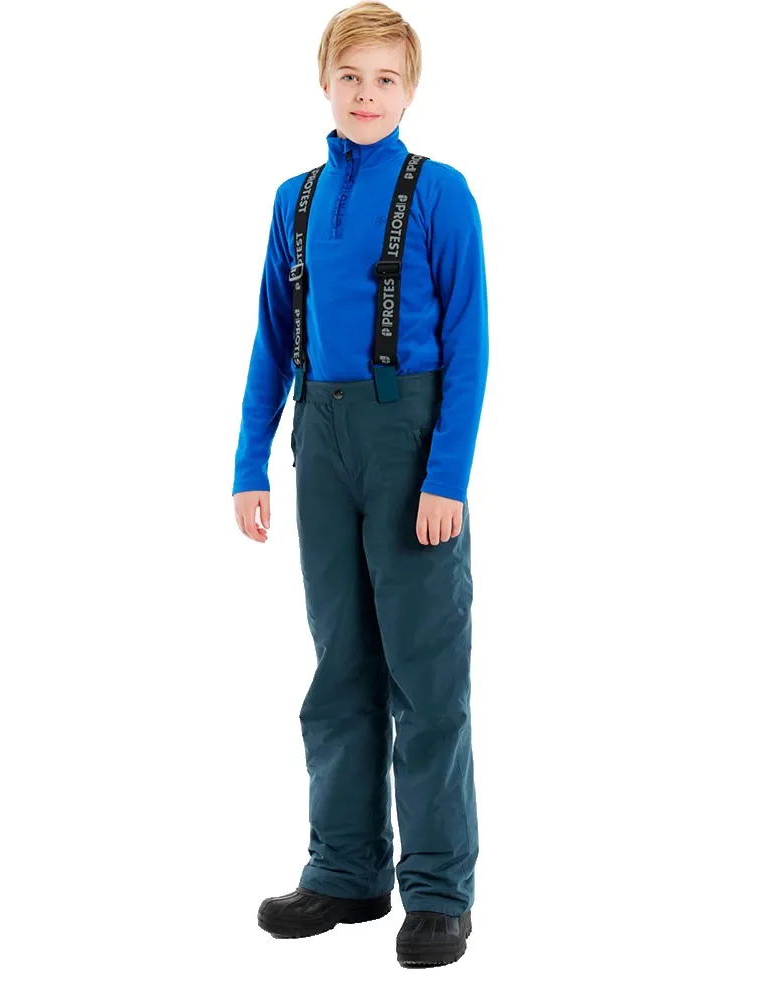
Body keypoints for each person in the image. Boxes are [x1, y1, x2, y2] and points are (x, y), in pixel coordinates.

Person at [232, 1, 488, 968]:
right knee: (339, 663)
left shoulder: (441, 192)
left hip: (408, 437)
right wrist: (250, 460)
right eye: (351, 77)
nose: (366, 95)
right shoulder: (293, 200)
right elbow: (272, 336)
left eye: (385, 79)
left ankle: (439, 890)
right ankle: (345, 871)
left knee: (425, 672)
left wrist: (446, 475)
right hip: (321, 438)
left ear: (410, 90)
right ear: (325, 83)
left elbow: (469, 343)